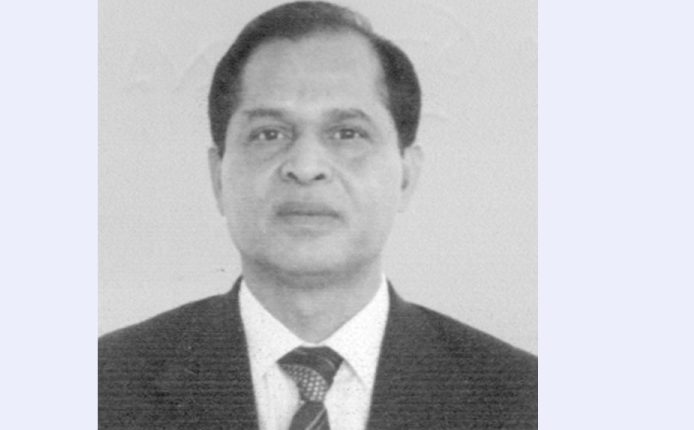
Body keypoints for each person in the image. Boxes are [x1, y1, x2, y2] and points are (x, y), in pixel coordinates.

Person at [98, 1, 538, 429]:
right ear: (218, 177)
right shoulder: (102, 387)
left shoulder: (525, 401)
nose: (306, 167)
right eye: (269, 134)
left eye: (347, 133)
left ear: (406, 175)